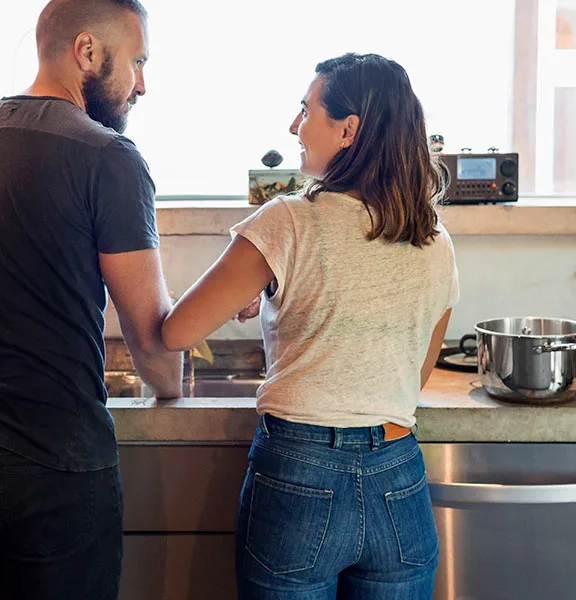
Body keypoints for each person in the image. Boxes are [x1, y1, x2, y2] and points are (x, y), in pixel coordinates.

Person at [0, 1, 183, 598]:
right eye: (137, 62)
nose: (144, 85)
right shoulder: (109, 157)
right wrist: (171, 388)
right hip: (48, 458)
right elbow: (149, 333)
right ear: (87, 52)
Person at [162, 53, 459, 599]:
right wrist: (281, 295)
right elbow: (410, 377)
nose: (294, 127)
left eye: (305, 111)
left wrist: (255, 289)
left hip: (300, 476)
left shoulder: (288, 220)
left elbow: (177, 332)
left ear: (348, 130)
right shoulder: (434, 241)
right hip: (398, 476)